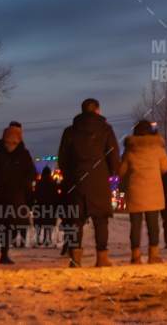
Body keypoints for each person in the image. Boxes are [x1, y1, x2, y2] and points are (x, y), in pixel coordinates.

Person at [59, 98, 120, 267]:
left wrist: (70, 175)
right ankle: (102, 258)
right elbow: (113, 156)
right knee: (101, 220)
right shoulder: (106, 130)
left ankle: (75, 259)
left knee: (75, 220)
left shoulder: (69, 131)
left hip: (76, 180)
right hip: (98, 180)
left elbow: (62, 159)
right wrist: (112, 171)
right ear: (97, 110)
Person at [0, 122, 36, 264]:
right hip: (14, 197)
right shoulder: (23, 154)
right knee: (7, 226)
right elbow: (30, 175)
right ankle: (3, 255)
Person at [119, 120, 167, 263]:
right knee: (153, 224)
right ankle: (153, 255)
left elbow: (121, 170)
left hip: (135, 191)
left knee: (135, 225)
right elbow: (166, 167)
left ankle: (135, 255)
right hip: (153, 191)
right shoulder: (158, 148)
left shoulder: (130, 149)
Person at [32, 166, 61, 248]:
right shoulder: (53, 183)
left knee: (39, 224)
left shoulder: (38, 183)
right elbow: (56, 196)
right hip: (50, 207)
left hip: (39, 207)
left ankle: (38, 239)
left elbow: (35, 194)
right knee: (48, 225)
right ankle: (47, 239)